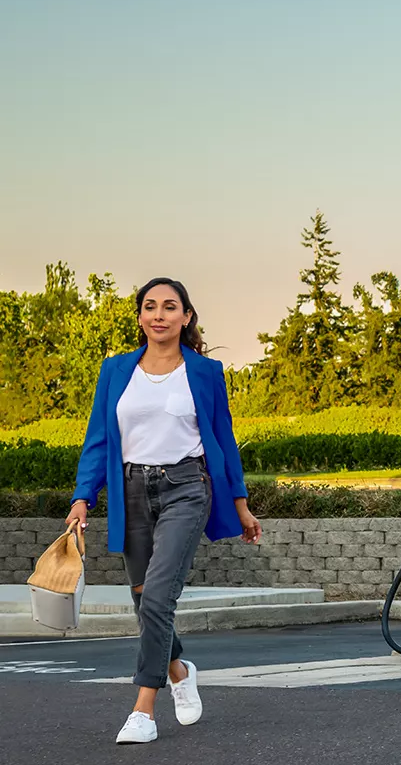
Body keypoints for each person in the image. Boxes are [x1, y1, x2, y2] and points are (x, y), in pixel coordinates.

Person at [65, 277, 261, 745]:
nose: (159, 314)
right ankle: (178, 669)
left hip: (186, 488)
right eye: (150, 306)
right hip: (131, 491)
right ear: (139, 317)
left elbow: (224, 442)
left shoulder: (206, 372)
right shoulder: (115, 371)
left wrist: (241, 505)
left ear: (186, 317)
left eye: (169, 307)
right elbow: (98, 439)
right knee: (142, 599)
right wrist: (81, 497)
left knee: (157, 598)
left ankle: (143, 709)